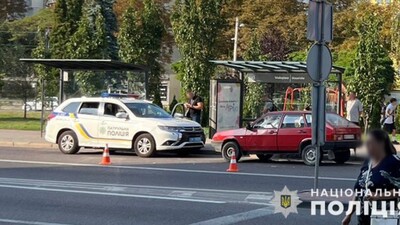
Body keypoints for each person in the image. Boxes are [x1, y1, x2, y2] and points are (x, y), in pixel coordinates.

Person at [342, 129, 400, 225]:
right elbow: (359, 190)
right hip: (364, 219)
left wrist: (378, 196)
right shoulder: (368, 161)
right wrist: (348, 215)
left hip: (384, 218)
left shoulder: (394, 162)